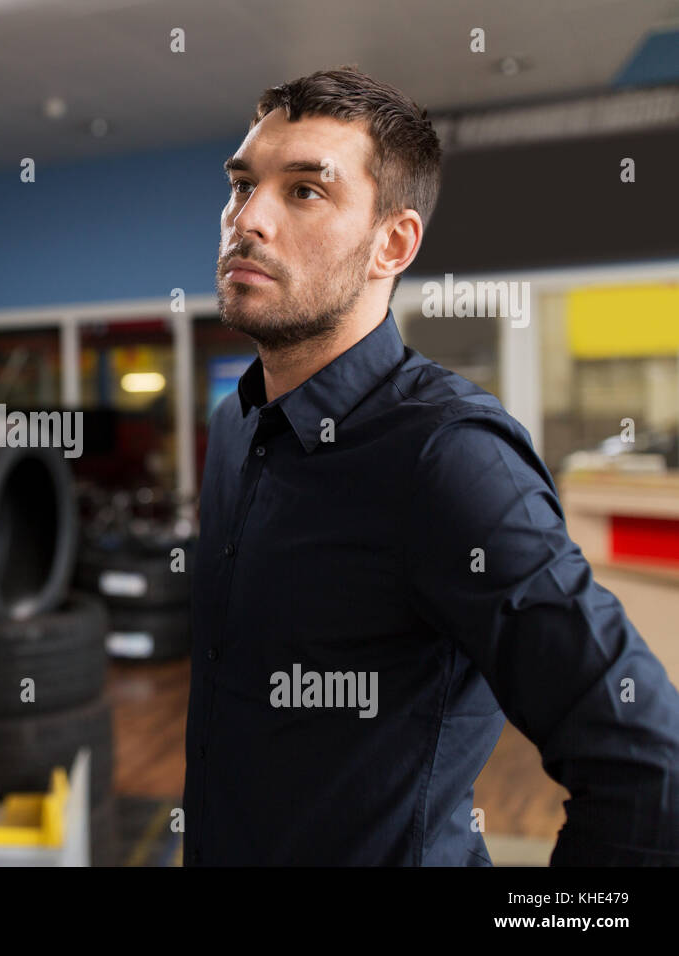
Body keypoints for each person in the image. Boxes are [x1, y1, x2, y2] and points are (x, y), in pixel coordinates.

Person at [185, 65, 679, 865]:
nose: (250, 219)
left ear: (394, 243)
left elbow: (651, 763)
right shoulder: (237, 428)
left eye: (305, 191)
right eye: (243, 184)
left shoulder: (449, 456)